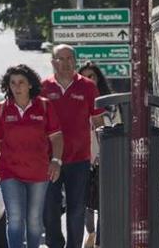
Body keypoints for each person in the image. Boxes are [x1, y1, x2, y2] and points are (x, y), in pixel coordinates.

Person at [0, 64, 64, 248]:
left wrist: (56, 161)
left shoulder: (44, 106)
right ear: (8, 86)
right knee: (14, 218)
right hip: (9, 172)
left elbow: (57, 137)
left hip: (38, 172)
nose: (17, 87)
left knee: (34, 220)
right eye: (12, 83)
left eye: (21, 82)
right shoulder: (2, 109)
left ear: (30, 85)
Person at [41, 45, 105, 248]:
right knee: (49, 208)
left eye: (70, 58)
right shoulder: (43, 88)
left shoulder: (87, 87)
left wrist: (103, 153)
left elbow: (98, 123)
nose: (67, 63)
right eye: (61, 58)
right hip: (49, 160)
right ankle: (54, 244)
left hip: (79, 159)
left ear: (75, 61)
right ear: (53, 62)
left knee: (76, 209)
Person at [79, 61, 113, 248]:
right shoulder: (76, 102)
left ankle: (99, 240)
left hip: (105, 158)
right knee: (85, 202)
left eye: (91, 76)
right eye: (84, 76)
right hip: (83, 158)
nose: (88, 79)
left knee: (102, 201)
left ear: (98, 78)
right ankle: (90, 233)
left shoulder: (109, 103)